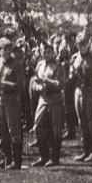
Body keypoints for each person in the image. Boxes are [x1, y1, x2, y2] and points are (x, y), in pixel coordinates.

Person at [0, 37, 25, 171]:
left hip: (11, 101)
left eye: (8, 49)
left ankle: (16, 161)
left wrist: (4, 84)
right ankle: (6, 159)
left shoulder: (16, 64)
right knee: (1, 130)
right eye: (2, 49)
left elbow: (21, 85)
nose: (5, 51)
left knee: (13, 130)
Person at [31, 39, 68, 167]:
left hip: (55, 99)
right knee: (38, 127)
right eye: (43, 52)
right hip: (43, 99)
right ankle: (43, 156)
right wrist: (38, 87)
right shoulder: (40, 65)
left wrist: (46, 81)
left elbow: (61, 84)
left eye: (48, 52)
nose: (46, 54)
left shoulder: (59, 66)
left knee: (56, 129)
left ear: (53, 52)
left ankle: (55, 158)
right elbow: (35, 81)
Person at [69, 33, 92, 163]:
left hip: (90, 92)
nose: (82, 47)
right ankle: (85, 151)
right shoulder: (74, 58)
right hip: (78, 91)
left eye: (84, 44)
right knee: (82, 122)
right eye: (79, 44)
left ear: (88, 44)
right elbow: (71, 75)